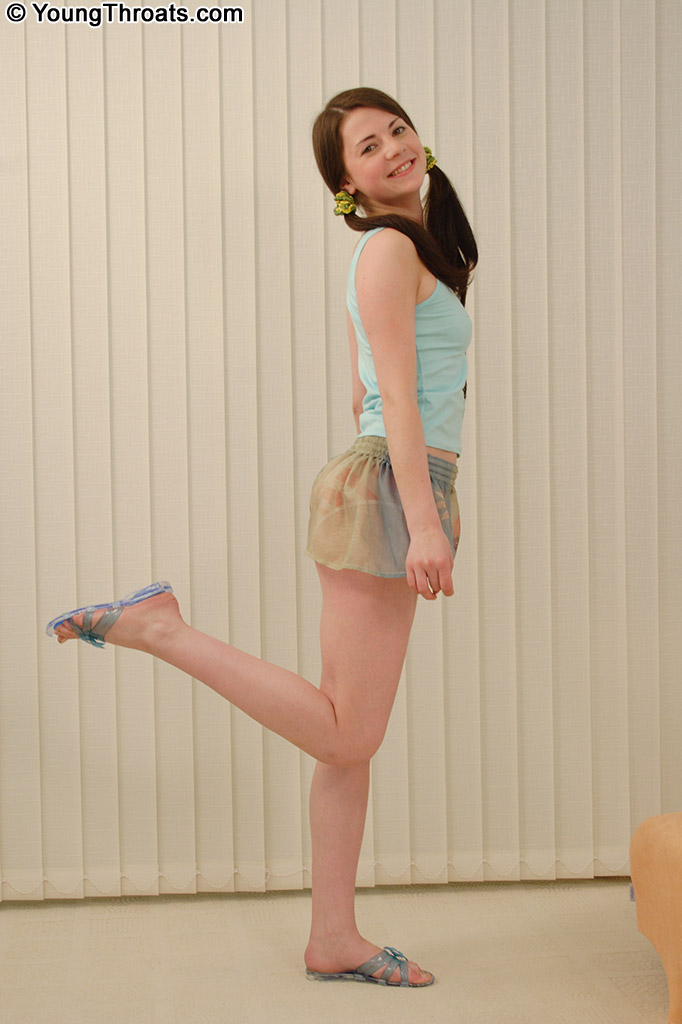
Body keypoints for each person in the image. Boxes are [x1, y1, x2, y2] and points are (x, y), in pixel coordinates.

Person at [46, 87, 478, 988]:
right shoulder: (389, 249)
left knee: (345, 736)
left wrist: (424, 496)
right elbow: (394, 400)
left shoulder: (411, 248)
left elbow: (365, 390)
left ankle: (333, 938)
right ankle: (164, 628)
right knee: (348, 734)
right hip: (389, 488)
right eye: (368, 146)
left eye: (398, 130)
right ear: (346, 183)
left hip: (389, 482)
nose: (393, 148)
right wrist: (422, 520)